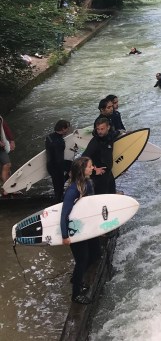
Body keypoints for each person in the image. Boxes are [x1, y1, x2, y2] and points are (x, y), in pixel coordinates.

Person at [61, 157, 101, 304]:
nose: (92, 168)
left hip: (87, 227)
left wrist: (99, 227)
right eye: (90, 166)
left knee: (96, 254)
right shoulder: (72, 191)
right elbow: (64, 215)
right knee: (82, 260)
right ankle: (76, 295)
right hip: (75, 230)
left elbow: (90, 208)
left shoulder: (87, 183)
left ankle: (75, 278)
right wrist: (65, 236)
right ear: (82, 170)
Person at [82, 118, 116, 195]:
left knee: (112, 195)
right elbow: (83, 158)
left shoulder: (109, 137)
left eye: (102, 129)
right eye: (98, 129)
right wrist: (94, 170)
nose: (100, 131)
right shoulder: (95, 142)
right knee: (101, 198)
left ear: (108, 127)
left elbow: (116, 133)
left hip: (109, 173)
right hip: (99, 176)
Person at [45, 119, 71, 202]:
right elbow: (59, 160)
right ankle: (57, 204)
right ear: (63, 129)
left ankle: (61, 184)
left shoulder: (49, 137)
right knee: (59, 191)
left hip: (50, 165)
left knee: (57, 187)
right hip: (57, 167)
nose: (68, 130)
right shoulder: (59, 142)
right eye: (67, 128)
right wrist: (68, 170)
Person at [0, 115, 16, 189]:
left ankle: (7, 188)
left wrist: (11, 140)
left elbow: (6, 128)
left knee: (7, 164)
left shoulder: (0, 118)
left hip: (1, 146)